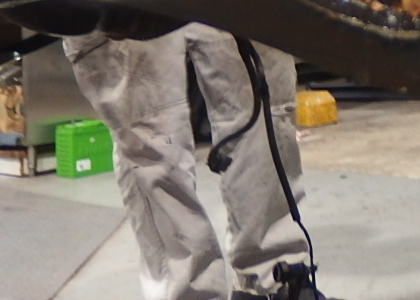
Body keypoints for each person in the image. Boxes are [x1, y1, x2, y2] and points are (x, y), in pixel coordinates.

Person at [64, 23, 313, 300]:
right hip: (123, 1)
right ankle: (187, 293)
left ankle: (276, 282)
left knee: (264, 114)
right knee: (149, 136)